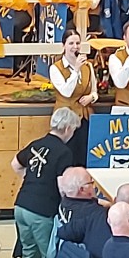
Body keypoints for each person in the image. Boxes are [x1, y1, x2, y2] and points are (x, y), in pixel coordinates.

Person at [10, 107, 80, 258]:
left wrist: (32, 179)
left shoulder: (36, 144)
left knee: (28, 253)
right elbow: (61, 187)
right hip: (41, 212)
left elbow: (15, 164)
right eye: (73, 130)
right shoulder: (64, 152)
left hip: (21, 205)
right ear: (67, 129)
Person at [49, 30, 98, 165]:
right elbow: (66, 92)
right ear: (63, 46)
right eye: (71, 43)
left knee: (83, 156)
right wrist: (76, 70)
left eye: (77, 43)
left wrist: (91, 97)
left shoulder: (87, 66)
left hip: (84, 117)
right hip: (65, 120)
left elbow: (94, 91)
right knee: (67, 156)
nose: (75, 47)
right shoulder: (55, 68)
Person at [54, 168, 111, 258]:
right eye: (91, 183)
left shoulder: (66, 201)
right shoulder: (93, 214)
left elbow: (94, 202)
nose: (94, 186)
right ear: (82, 190)